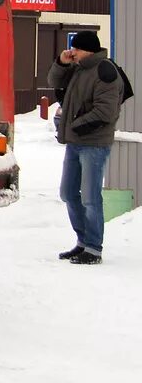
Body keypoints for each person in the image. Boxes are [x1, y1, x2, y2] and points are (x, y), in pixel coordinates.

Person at [47, 30, 125, 265]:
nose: (73, 52)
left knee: (90, 197)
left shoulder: (105, 71)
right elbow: (53, 81)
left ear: (87, 49)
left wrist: (74, 124)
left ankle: (93, 248)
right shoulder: (79, 68)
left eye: (76, 49)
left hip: (94, 143)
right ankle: (82, 242)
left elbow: (105, 111)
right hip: (75, 142)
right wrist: (62, 62)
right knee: (68, 193)